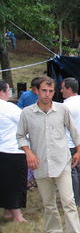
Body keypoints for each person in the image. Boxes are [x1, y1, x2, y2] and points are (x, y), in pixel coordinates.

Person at [16, 76, 80, 233]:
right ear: (36, 91)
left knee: (69, 202)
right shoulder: (27, 113)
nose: (47, 94)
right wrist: (28, 153)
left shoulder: (62, 109)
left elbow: (74, 130)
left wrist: (79, 150)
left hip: (62, 162)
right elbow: (20, 136)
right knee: (49, 203)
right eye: (44, 90)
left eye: (51, 91)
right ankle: (53, 230)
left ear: (54, 92)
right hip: (40, 164)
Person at [0, 80, 27, 222]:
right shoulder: (8, 108)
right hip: (12, 150)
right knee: (15, 184)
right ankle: (17, 215)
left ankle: (7, 212)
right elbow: (25, 121)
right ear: (2, 92)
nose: (10, 93)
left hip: (2, 150)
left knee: (4, 182)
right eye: (8, 90)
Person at [60, 77, 80, 207]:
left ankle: (75, 200)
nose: (61, 90)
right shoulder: (79, 101)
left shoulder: (66, 105)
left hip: (69, 142)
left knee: (72, 171)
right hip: (77, 140)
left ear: (69, 89)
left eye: (63, 88)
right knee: (77, 167)